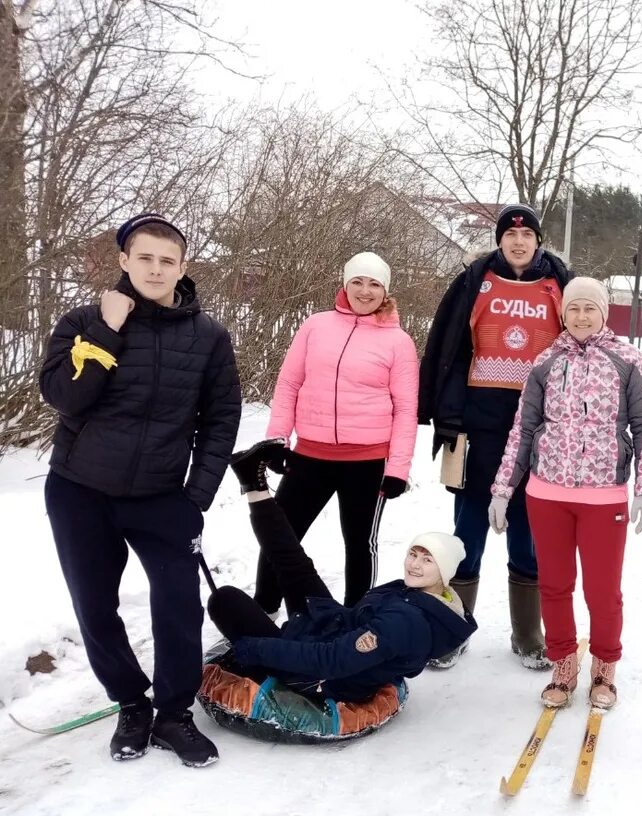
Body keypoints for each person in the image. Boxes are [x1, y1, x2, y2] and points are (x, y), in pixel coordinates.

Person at [39, 213, 241, 767]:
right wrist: (107, 330)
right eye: (144, 257)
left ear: (182, 267)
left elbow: (221, 419)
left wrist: (195, 497)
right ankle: (131, 703)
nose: (155, 268)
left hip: (161, 497)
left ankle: (174, 714)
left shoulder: (208, 337)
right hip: (80, 491)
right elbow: (65, 397)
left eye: (166, 260)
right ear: (124, 260)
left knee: (178, 604)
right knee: (95, 606)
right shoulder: (83, 320)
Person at [488, 277, 642, 709]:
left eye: (590, 308)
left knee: (603, 590)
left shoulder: (627, 361)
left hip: (604, 497)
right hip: (547, 494)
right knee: (554, 584)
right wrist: (503, 489)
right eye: (574, 309)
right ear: (563, 313)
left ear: (604, 312)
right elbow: (523, 430)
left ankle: (604, 666)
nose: (581, 317)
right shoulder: (545, 362)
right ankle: (563, 663)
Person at [418, 204, 572, 669]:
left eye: (527, 235)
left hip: (538, 424)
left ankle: (527, 633)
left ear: (538, 241)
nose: (518, 242)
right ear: (500, 239)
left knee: (528, 528)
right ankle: (454, 626)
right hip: (477, 421)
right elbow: (446, 344)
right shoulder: (474, 280)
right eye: (510, 234)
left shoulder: (559, 285)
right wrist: (444, 414)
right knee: (468, 528)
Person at [209, 440, 476, 701]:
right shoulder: (418, 593)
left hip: (318, 677)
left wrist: (248, 649)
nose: (415, 564)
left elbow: (330, 661)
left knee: (225, 600)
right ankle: (253, 484)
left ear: (445, 571)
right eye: (413, 554)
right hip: (332, 627)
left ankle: (261, 660)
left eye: (428, 560)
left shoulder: (407, 622)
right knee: (294, 563)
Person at [256, 251, 419, 611]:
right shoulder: (315, 326)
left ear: (386, 291)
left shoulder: (398, 342)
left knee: (359, 543)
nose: (365, 291)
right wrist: (277, 440)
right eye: (357, 281)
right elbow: (288, 384)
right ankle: (264, 609)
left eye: (374, 284)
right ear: (344, 285)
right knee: (280, 536)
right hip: (309, 455)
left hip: (367, 462)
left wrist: (397, 470)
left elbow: (406, 409)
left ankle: (356, 618)